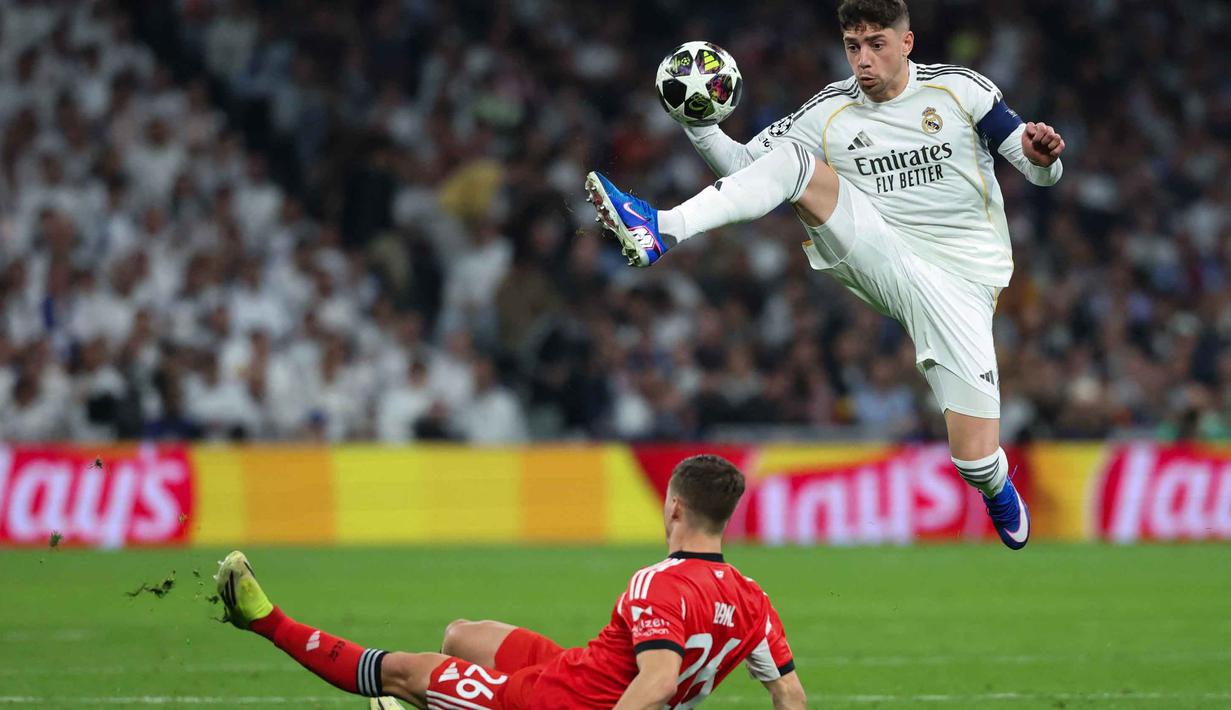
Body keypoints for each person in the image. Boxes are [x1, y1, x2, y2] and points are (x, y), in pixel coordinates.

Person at [584, 0, 1066, 550]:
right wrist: (700, 130)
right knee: (796, 166)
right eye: (853, 47)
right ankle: (661, 229)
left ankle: (995, 485)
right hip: (880, 249)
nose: (864, 60)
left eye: (877, 45)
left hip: (964, 279)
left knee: (974, 457)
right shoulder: (828, 112)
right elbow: (749, 170)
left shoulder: (961, 90)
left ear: (906, 43)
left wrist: (1043, 158)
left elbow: (1034, 166)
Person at [215, 454, 806, 709]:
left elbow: (657, 681)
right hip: (579, 671)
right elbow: (790, 696)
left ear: (674, 508)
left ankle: (264, 621)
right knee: (460, 634)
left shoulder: (656, 583)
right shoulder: (756, 602)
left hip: (551, 703)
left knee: (402, 674)